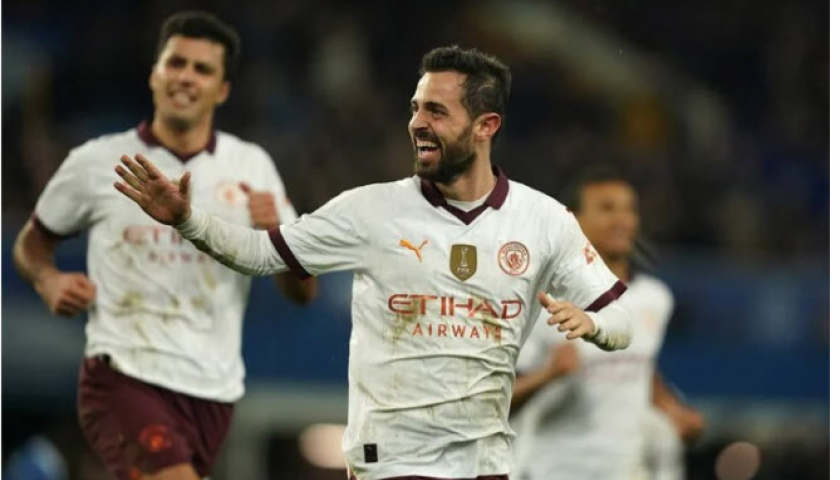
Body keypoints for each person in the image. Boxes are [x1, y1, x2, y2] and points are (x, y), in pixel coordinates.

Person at [113, 45, 633, 480]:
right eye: (415, 108)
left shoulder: (543, 220)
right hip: (394, 460)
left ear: (485, 125)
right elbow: (261, 254)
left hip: (486, 464)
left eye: (436, 112)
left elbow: (623, 321)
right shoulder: (370, 211)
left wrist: (593, 325)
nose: (417, 123)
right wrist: (187, 220)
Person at [13, 11, 316, 480]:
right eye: (176, 63)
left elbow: (304, 291)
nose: (186, 77)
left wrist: (277, 237)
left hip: (212, 392)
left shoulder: (252, 166)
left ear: (222, 90)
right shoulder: (97, 161)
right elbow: (31, 245)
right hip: (124, 376)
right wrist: (48, 279)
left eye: (203, 69)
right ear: (155, 75)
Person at [509, 168, 704, 480]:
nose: (622, 220)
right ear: (572, 219)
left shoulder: (654, 299)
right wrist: (547, 375)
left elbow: (641, 367)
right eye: (607, 209)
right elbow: (497, 403)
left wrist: (673, 410)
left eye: (629, 210)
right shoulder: (543, 303)